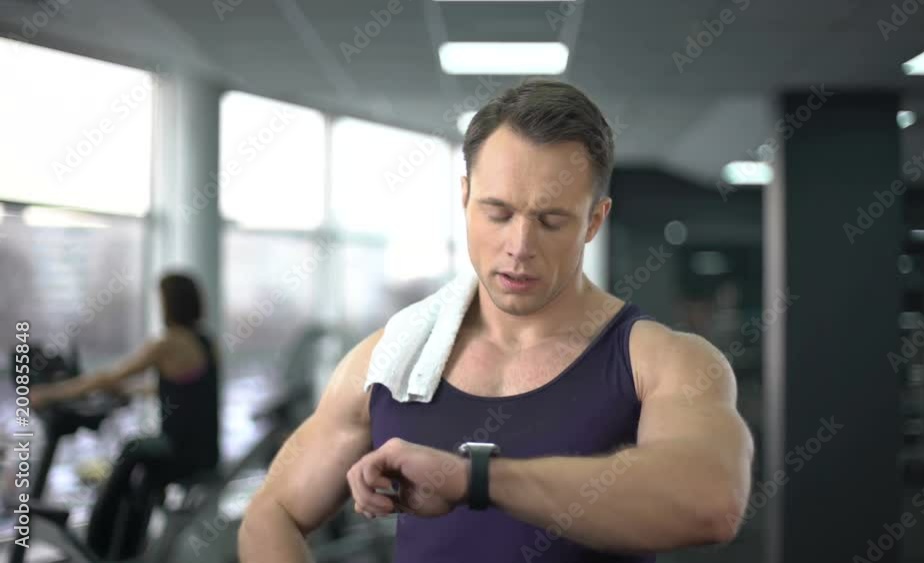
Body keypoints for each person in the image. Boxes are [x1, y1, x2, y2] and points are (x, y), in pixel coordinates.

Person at [238, 79, 754, 562]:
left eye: (551, 220)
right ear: (465, 198)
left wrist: (474, 479)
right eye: (498, 213)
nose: (519, 246)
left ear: (594, 220)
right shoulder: (389, 363)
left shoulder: (660, 361)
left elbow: (710, 502)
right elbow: (269, 514)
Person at [32, 272, 220, 558]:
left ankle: (102, 545)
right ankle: (124, 546)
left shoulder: (168, 343)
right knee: (140, 467)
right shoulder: (206, 341)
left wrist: (48, 393)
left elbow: (106, 376)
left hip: (180, 452)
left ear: (171, 304)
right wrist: (131, 391)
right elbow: (184, 388)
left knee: (131, 452)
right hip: (205, 452)